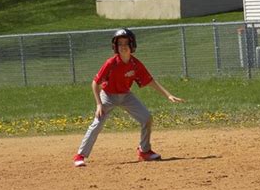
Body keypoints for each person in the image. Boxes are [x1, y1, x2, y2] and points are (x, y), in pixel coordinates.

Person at [73, 28, 184, 167]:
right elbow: (95, 83)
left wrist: (168, 95)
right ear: (115, 47)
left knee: (146, 118)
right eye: (120, 44)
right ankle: (80, 155)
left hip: (126, 96)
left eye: (126, 43)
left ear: (132, 46)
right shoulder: (111, 63)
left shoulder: (135, 64)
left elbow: (150, 81)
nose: (123, 46)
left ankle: (144, 151)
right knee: (97, 124)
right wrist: (99, 104)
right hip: (108, 95)